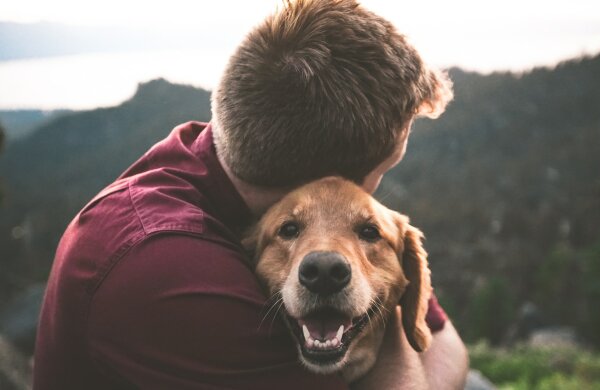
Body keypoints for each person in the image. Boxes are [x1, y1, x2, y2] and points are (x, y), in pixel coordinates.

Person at [33, 0, 468, 388]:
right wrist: (387, 310)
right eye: (385, 170)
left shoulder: (226, 156)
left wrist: (386, 296)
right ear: (328, 182)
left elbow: (447, 344)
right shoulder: (167, 271)